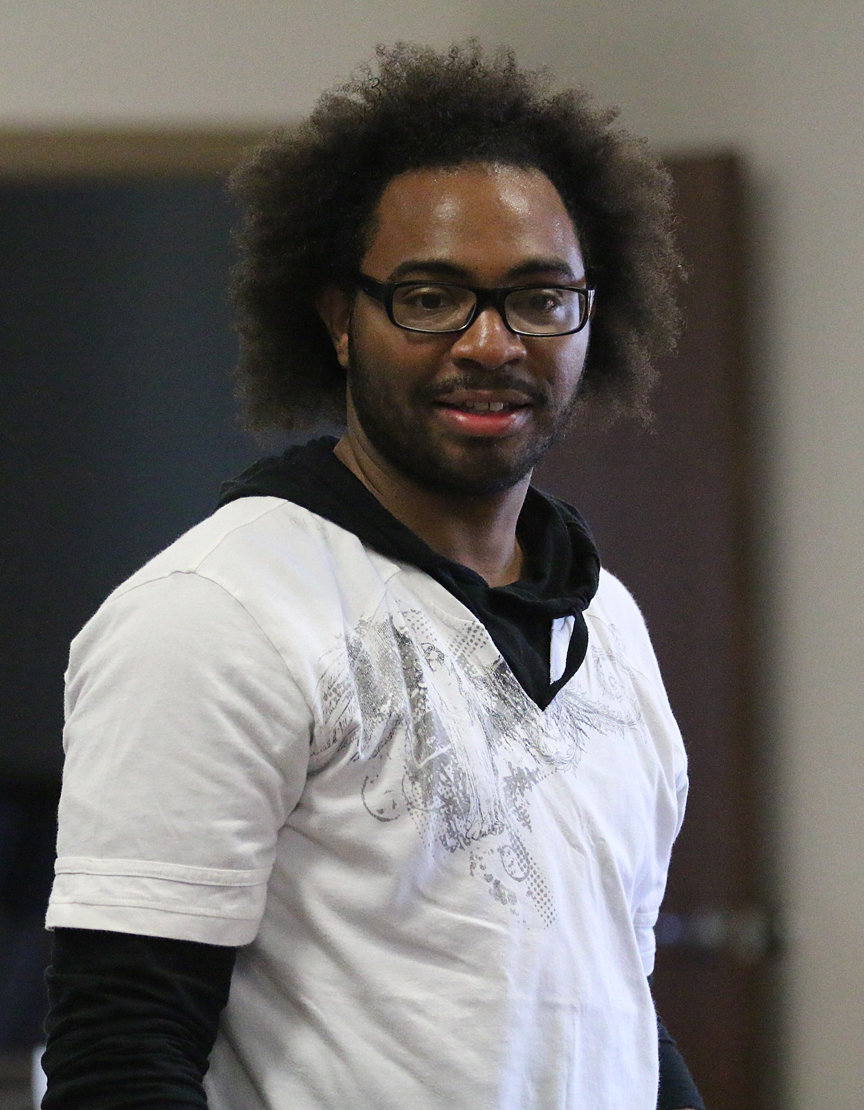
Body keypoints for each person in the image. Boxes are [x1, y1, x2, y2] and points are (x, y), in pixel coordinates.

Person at [42, 41, 704, 1110]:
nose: (493, 344)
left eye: (540, 299)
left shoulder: (608, 625)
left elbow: (607, 998)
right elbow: (120, 1054)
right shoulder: (216, 614)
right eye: (432, 297)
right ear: (337, 320)